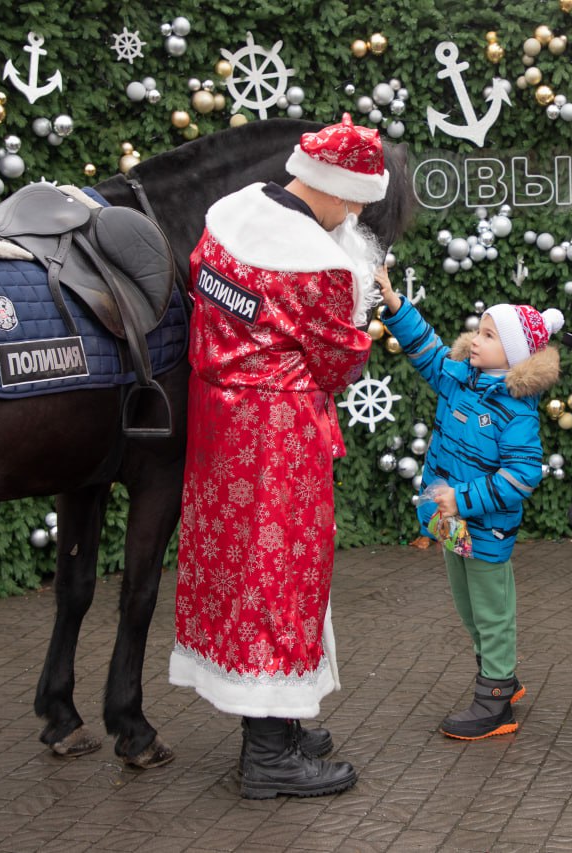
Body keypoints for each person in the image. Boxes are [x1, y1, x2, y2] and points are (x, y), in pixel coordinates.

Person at [169, 115, 389, 799]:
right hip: (279, 435)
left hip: (219, 421)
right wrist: (364, 330)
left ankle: (282, 719)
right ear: (334, 187)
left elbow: (215, 305)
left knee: (241, 567)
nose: (354, 212)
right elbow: (334, 356)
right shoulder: (319, 264)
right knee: (283, 572)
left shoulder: (226, 224)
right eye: (355, 198)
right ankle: (268, 757)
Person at [377, 267, 563, 740]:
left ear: (516, 353)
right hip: (450, 525)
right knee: (467, 608)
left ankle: (496, 698)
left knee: (492, 611)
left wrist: (461, 499)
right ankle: (500, 675)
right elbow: (426, 352)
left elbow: (522, 476)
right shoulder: (460, 378)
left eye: (488, 335)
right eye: (478, 330)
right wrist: (396, 305)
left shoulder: (516, 409)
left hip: (485, 527)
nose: (475, 340)